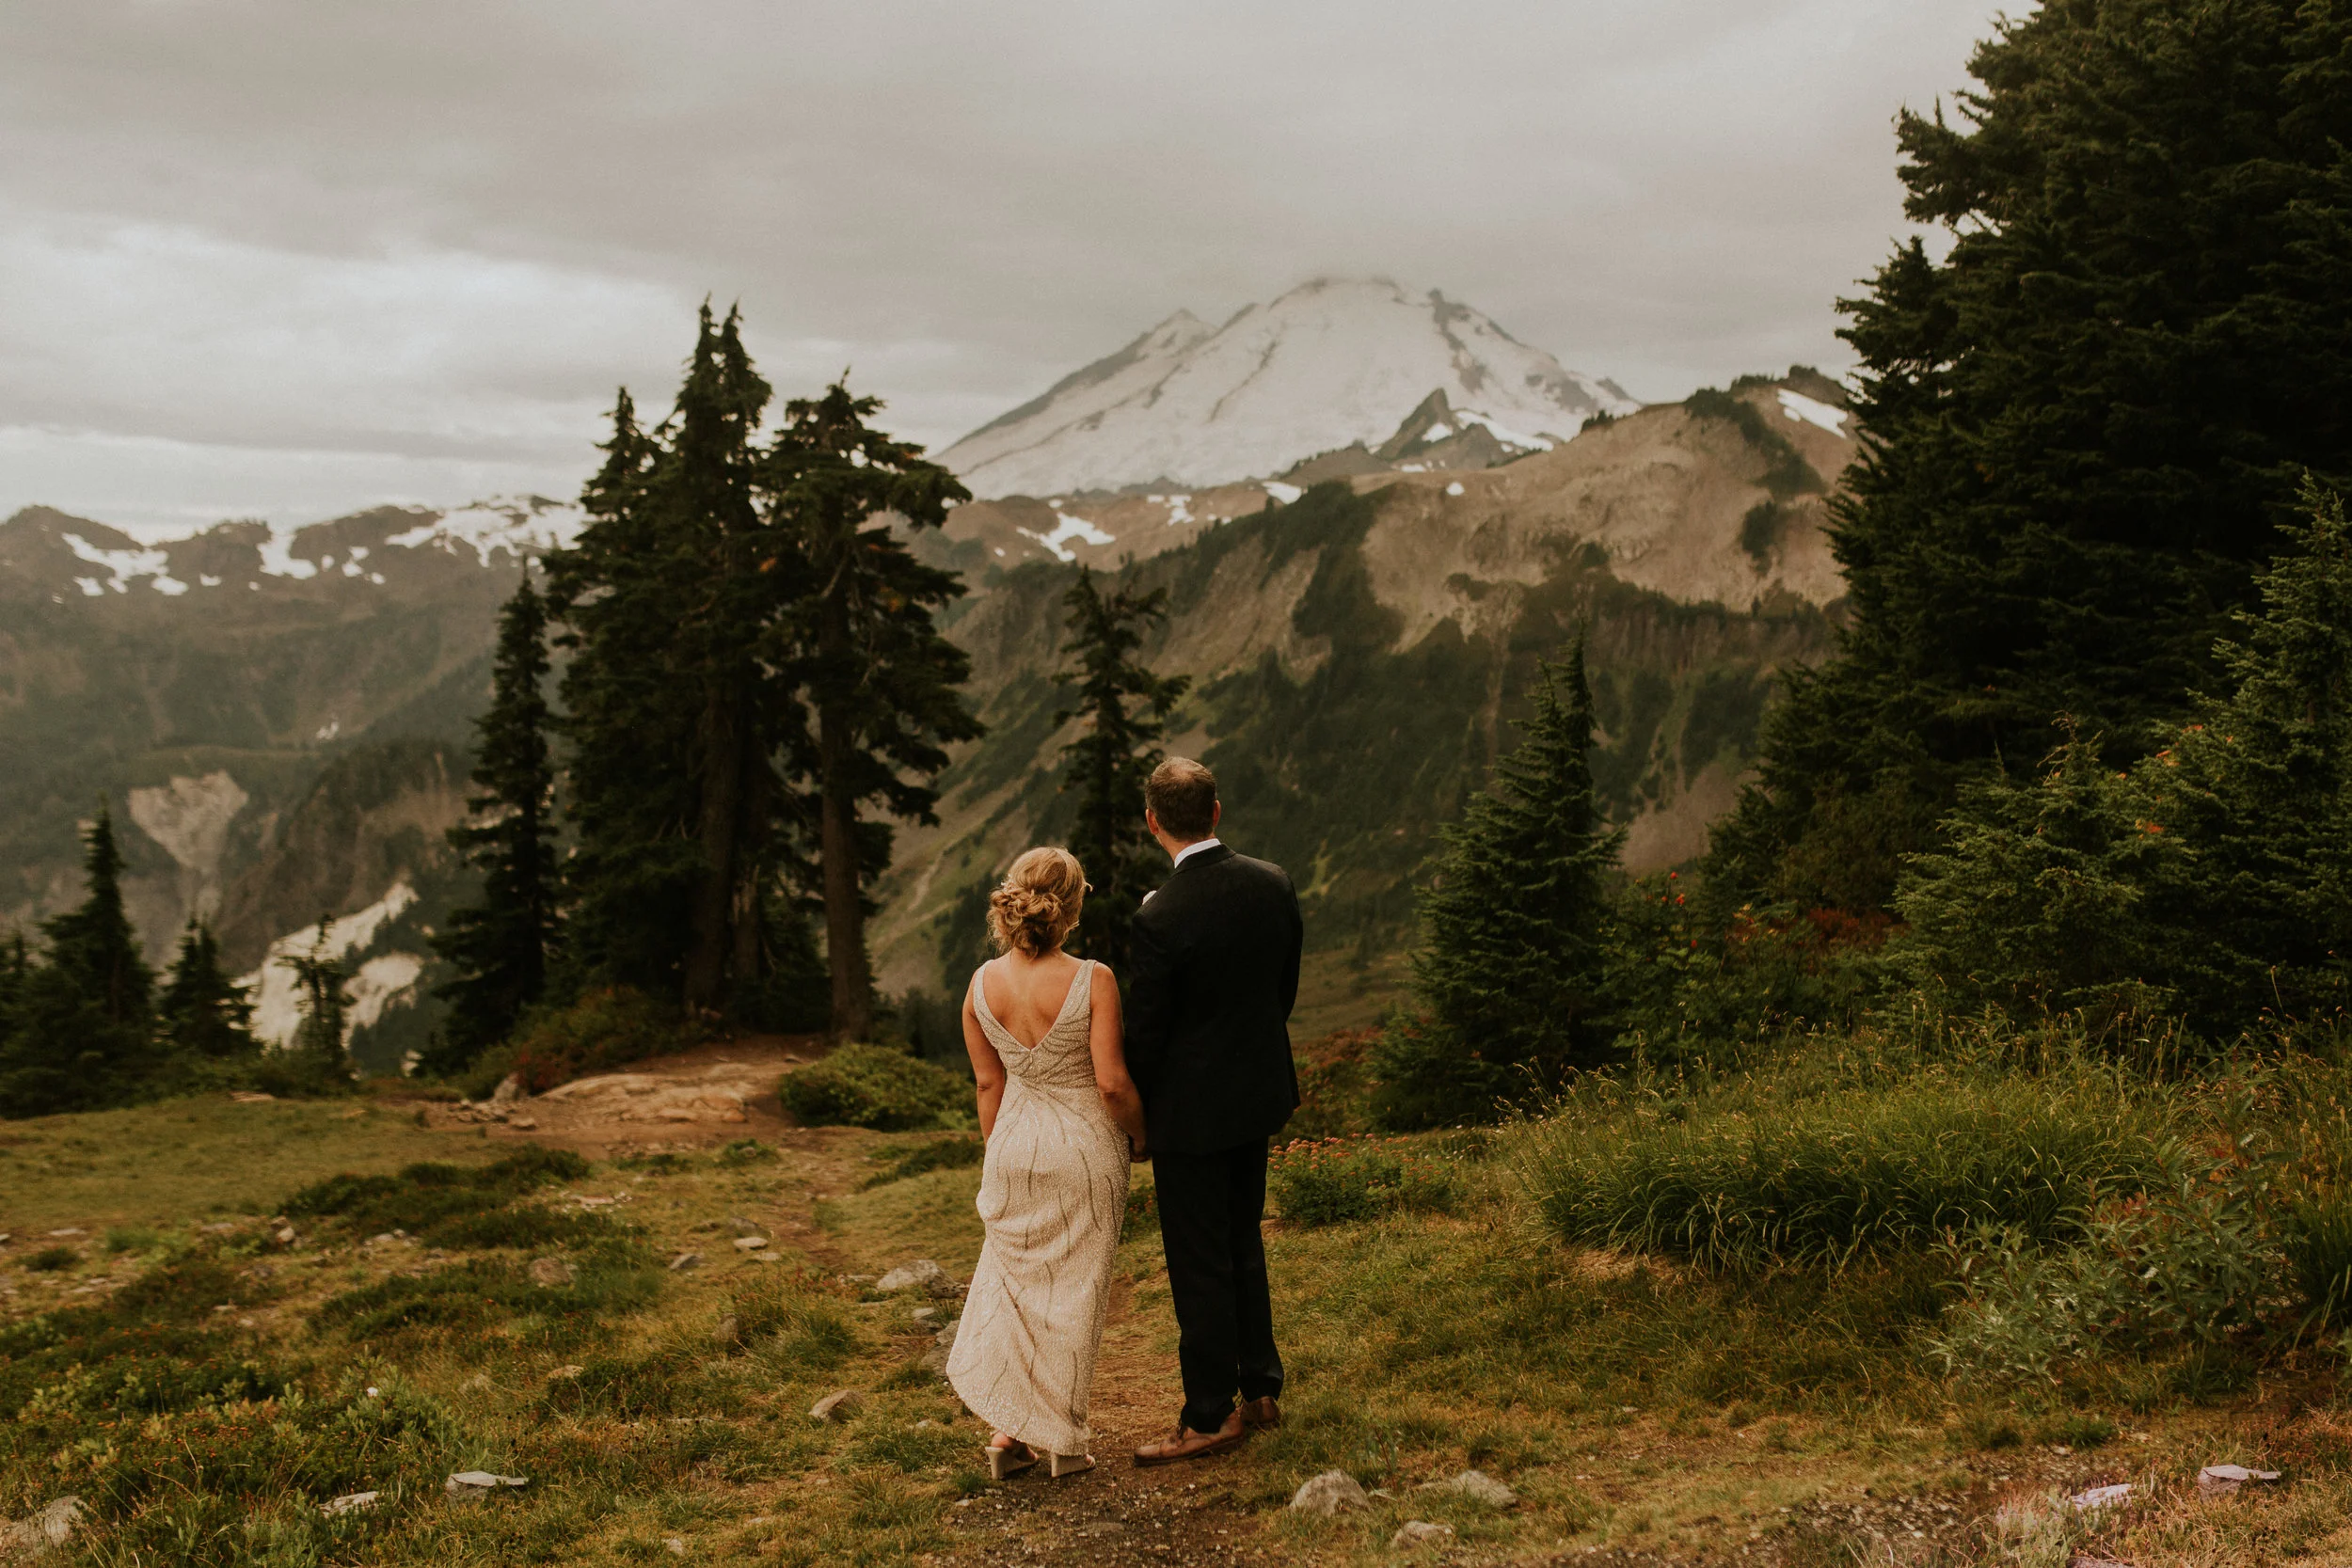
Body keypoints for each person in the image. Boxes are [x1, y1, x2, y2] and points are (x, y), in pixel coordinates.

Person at [946, 847, 1150, 1481]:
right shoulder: (1094, 978)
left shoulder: (980, 986)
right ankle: (1063, 1440)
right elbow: (1112, 1083)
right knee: (1074, 1295)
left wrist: (998, 1156)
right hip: (1083, 1146)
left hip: (1012, 1145)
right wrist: (1141, 1136)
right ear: (1071, 905)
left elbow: (988, 1086)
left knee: (1015, 1292)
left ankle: (1008, 1434)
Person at [1121, 758, 1304, 1465]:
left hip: (1190, 1116)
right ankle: (1260, 1388)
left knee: (1199, 1261)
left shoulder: (1158, 916)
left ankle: (1207, 1415)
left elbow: (1146, 1033)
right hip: (1256, 1094)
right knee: (1242, 1240)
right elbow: (1280, 991)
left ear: (1154, 822)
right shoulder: (1273, 882)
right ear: (1217, 812)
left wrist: (1139, 1116)